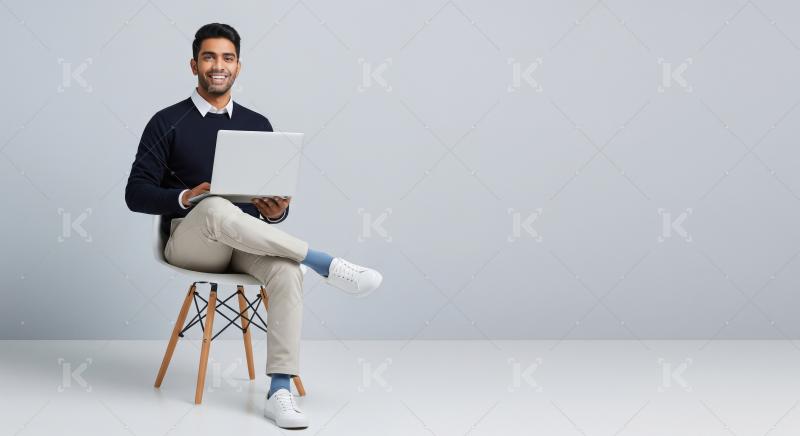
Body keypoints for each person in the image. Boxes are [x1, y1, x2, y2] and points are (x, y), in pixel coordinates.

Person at [124, 22, 383, 429]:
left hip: (241, 239)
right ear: (194, 65)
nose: (218, 65)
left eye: (227, 58)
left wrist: (276, 211)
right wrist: (186, 197)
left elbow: (263, 213)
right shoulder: (166, 122)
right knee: (212, 206)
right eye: (209, 57)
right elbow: (134, 194)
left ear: (238, 67)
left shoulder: (258, 123)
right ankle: (324, 261)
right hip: (191, 241)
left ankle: (279, 390)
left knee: (285, 270)